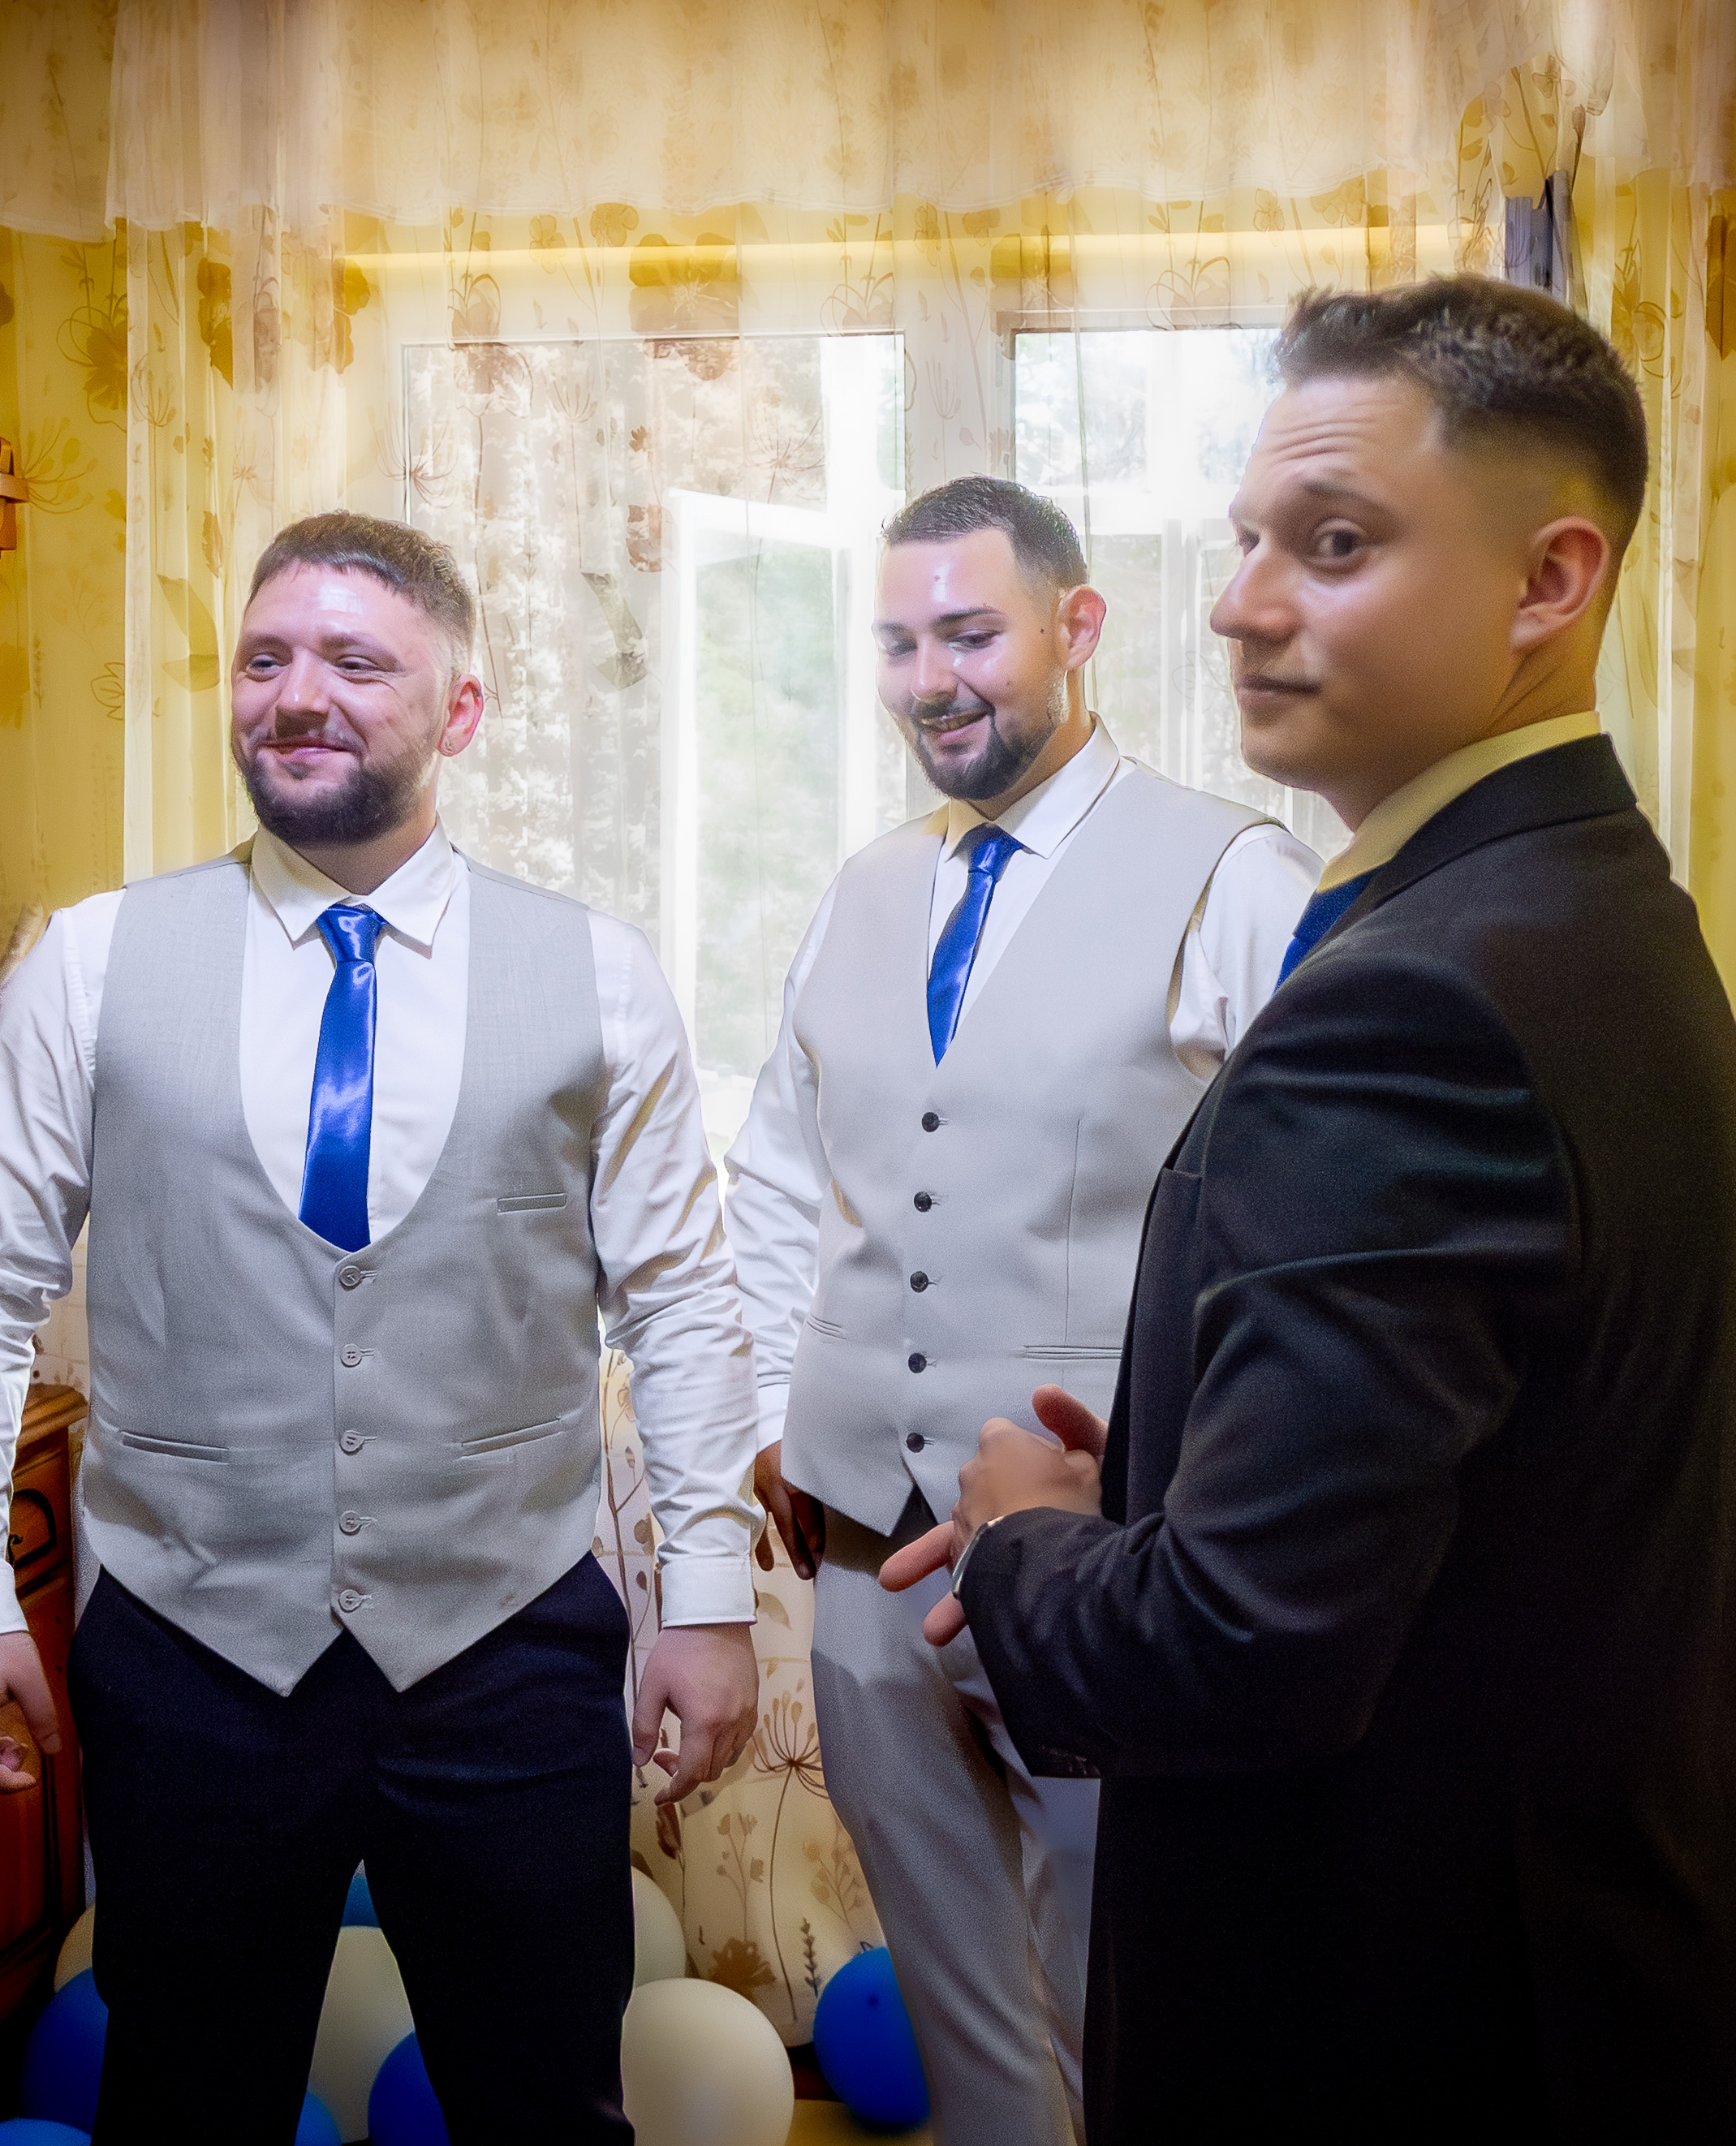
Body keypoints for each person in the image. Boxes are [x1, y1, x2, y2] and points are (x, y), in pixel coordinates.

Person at [886, 278, 1736, 2137]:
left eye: (1334, 542)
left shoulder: (1414, 994)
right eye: (1242, 540)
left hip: (1391, 2031)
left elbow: (1239, 1647)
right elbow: (1496, 1478)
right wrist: (1159, 1481)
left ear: (1547, 581)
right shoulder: (1590, 903)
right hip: (1579, 1987)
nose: (1238, 601)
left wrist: (1024, 1541)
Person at [0, 513, 765, 2144]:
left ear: (460, 708)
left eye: (356, 662)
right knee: (183, 2105)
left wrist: (706, 1599)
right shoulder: (91, 961)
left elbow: (682, 1305)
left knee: (546, 2107)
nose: (297, 695)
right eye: (265, 658)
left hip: (508, 1640)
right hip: (188, 1650)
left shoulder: (596, 973)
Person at [726, 476, 1316, 2141]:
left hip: (1102, 1558)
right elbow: (777, 1177)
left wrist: (1198, 1476)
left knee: (1130, 1983)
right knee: (955, 1995)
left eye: (970, 634)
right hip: (860, 1548)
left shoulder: (1235, 875)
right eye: (897, 643)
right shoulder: (858, 889)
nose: (931, 679)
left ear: (1078, 627)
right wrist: (774, 1416)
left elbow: (1310, 1224)